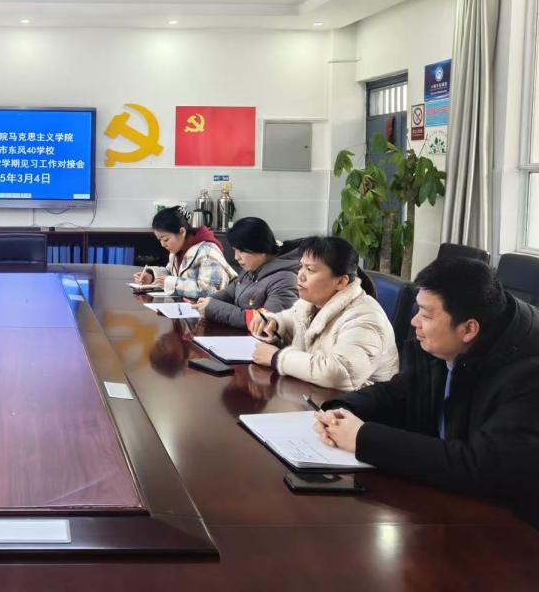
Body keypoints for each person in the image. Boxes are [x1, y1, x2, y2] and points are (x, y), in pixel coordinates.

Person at [315, 258, 539, 528]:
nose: (414, 322)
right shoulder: (446, 343)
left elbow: (480, 468)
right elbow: (400, 393)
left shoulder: (527, 376)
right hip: (446, 506)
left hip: (512, 529)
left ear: (468, 329)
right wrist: (342, 409)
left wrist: (363, 438)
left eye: (426, 315)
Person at [249, 236, 397, 391]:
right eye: (301, 267)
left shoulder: (365, 317)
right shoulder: (312, 301)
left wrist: (277, 358)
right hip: (317, 394)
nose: (300, 275)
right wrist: (274, 323)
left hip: (357, 403)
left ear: (341, 282)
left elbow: (340, 373)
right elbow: (291, 320)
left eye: (310, 270)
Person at [191, 218, 300, 327]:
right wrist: (208, 301)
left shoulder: (285, 279)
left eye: (241, 251)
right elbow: (229, 294)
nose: (236, 257)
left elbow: (267, 321)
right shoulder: (251, 269)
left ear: (260, 247)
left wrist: (213, 308)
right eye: (235, 250)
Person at [132, 207, 236, 298]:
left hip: (209, 312)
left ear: (182, 232)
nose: (162, 244)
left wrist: (172, 283)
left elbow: (212, 290)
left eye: (166, 239)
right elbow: (170, 273)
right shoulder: (177, 250)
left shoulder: (207, 251)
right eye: (160, 240)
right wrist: (151, 277)